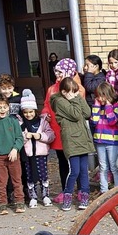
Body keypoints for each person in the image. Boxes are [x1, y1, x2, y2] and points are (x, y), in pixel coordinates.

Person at [41, 58, 86, 203]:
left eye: (60, 72)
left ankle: (80, 190)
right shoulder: (52, 89)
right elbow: (46, 105)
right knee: (62, 161)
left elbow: (78, 110)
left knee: (77, 164)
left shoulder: (78, 89)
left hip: (73, 131)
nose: (57, 75)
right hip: (57, 130)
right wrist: (45, 113)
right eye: (56, 72)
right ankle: (65, 190)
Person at [50, 77, 94, 211]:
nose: (73, 94)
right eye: (71, 92)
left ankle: (85, 196)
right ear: (63, 92)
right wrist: (76, 100)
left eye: (75, 91)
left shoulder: (74, 98)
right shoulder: (59, 101)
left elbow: (87, 113)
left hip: (82, 139)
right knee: (74, 171)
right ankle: (67, 195)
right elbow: (75, 115)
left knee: (84, 171)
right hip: (71, 140)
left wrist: (79, 98)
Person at [19, 89, 54, 208]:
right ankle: (32, 196)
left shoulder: (42, 121)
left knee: (43, 174)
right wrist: (25, 137)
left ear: (35, 110)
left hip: (41, 153)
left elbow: (50, 135)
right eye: (25, 112)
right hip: (28, 154)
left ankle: (45, 195)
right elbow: (18, 138)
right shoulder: (21, 123)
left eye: (30, 112)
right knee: (30, 175)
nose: (28, 115)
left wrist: (39, 136)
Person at [91, 82, 118, 193]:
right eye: (98, 95)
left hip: (113, 141)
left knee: (114, 166)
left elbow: (112, 121)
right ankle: (103, 190)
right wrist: (96, 106)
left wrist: (109, 106)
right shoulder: (98, 106)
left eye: (102, 95)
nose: (100, 98)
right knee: (103, 167)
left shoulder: (116, 106)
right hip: (100, 141)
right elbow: (94, 121)